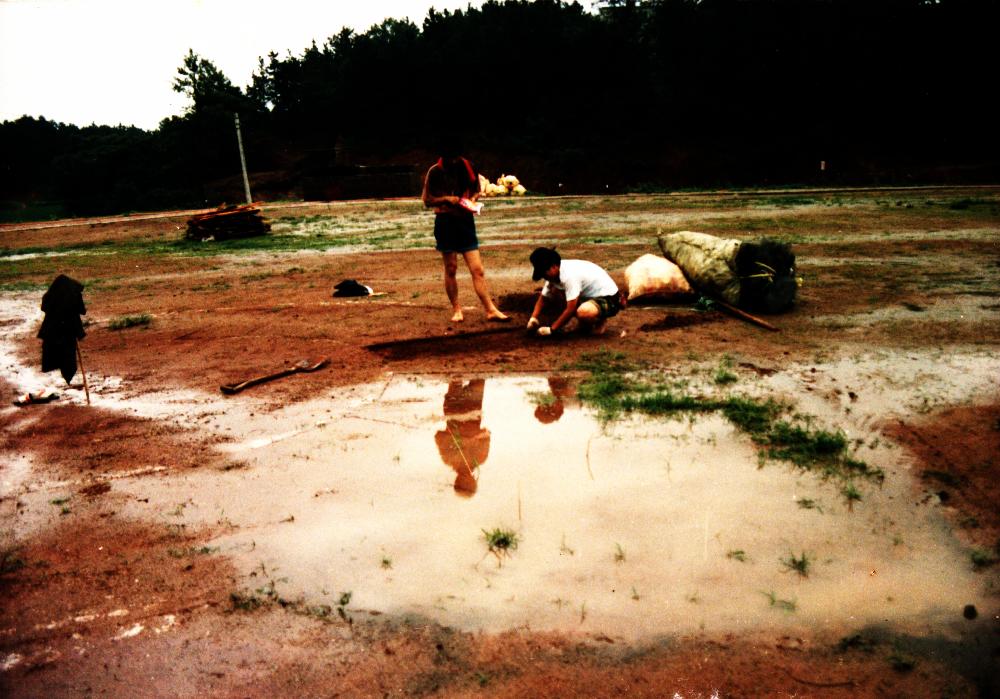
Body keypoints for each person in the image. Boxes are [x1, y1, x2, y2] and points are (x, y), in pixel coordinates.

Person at [421, 144, 509, 323]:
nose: (454, 161)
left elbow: (476, 189)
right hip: (445, 222)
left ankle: (490, 309)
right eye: (450, 158)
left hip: (465, 221)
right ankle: (457, 309)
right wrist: (446, 199)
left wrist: (473, 200)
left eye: (456, 158)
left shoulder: (468, 166)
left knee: (478, 269)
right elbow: (427, 200)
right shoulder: (435, 171)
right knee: (451, 267)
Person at [526, 247, 622, 336]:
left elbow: (570, 308)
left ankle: (600, 321)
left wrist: (552, 329)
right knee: (554, 291)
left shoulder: (570, 276)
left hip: (610, 298)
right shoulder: (555, 274)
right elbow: (544, 297)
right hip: (589, 297)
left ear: (554, 266)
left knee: (584, 312)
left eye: (544, 273)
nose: (544, 277)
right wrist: (533, 318)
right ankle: (583, 323)